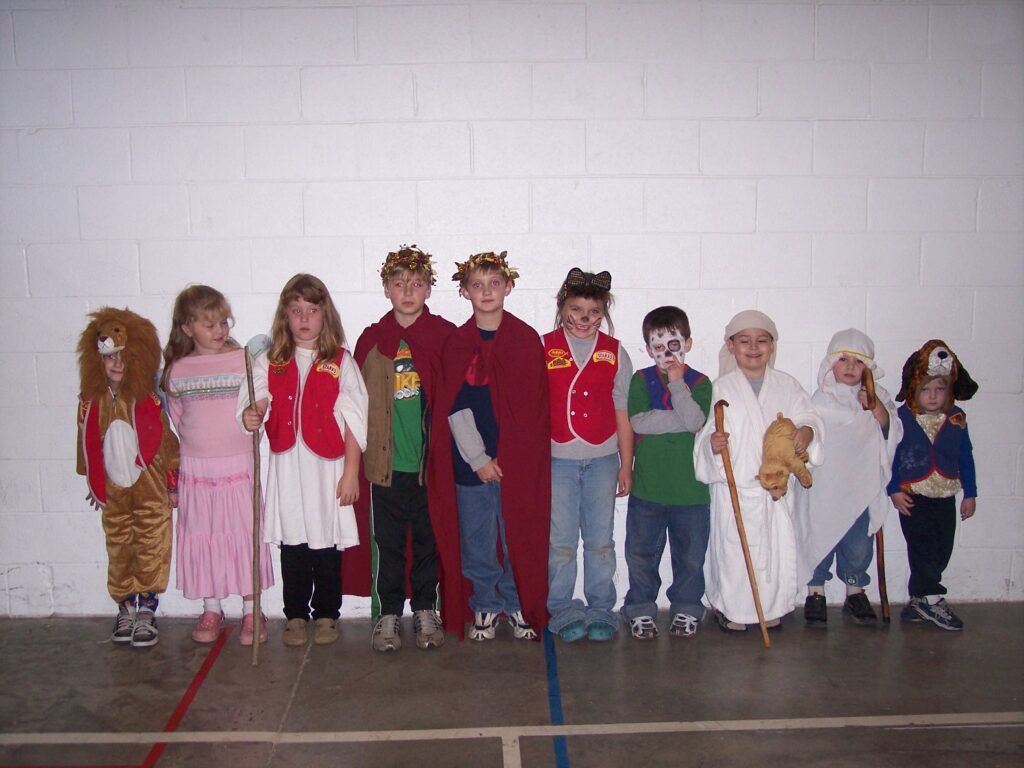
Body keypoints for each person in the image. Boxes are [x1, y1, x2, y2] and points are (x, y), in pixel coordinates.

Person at [428, 252, 550, 641]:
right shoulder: (457, 343)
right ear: (464, 292)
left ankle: (515, 602)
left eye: (494, 283)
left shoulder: (524, 340)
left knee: (517, 536)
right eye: (477, 285)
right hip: (471, 464)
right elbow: (452, 407)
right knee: (477, 538)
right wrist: (479, 458)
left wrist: (512, 455)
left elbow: (533, 409)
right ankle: (485, 603)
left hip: (517, 462)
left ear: (508, 287)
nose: (486, 292)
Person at [239, 274, 367, 647]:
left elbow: (356, 419)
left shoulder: (340, 361)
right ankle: (295, 614)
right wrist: (251, 413)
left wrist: (351, 473)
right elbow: (256, 398)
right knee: (293, 541)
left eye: (312, 310)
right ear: (285, 316)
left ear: (325, 315)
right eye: (296, 311)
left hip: (327, 468)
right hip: (288, 468)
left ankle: (327, 613)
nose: (304, 318)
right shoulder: (269, 361)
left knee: (326, 541)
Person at [346, 245, 456, 653]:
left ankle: (426, 609)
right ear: (386, 289)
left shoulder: (444, 336)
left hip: (430, 467)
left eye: (417, 283)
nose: (408, 291)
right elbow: (353, 404)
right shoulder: (373, 340)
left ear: (429, 289)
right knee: (389, 546)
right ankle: (388, 613)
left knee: (429, 541)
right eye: (399, 284)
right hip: (385, 466)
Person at [694, 310, 823, 632]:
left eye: (762, 341)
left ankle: (770, 608)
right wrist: (712, 445)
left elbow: (809, 417)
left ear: (772, 345)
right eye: (744, 341)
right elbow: (703, 437)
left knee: (775, 554)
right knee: (734, 555)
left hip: (775, 493)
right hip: (736, 492)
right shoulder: (719, 389)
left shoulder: (788, 386)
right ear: (731, 346)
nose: (753, 348)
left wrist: (807, 433)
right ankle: (731, 609)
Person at [162, 285, 275, 646]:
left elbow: (260, 398)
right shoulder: (178, 370)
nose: (220, 330)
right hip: (198, 469)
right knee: (205, 534)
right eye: (209, 325)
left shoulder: (243, 361)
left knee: (243, 534)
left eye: (224, 322)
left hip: (238, 465)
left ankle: (251, 609)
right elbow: (178, 417)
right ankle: (212, 608)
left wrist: (255, 414)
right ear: (187, 328)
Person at [76, 307, 180, 648]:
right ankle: (125, 607)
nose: (117, 364)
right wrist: (91, 479)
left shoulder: (148, 400)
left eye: (125, 357)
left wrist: (172, 482)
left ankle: (146, 610)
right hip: (114, 490)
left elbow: (167, 442)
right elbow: (85, 440)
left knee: (151, 545)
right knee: (119, 547)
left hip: (150, 488)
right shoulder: (91, 402)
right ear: (97, 359)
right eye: (111, 357)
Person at [543, 268, 633, 643]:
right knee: (561, 543)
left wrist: (626, 465)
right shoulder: (544, 347)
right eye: (576, 309)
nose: (584, 318)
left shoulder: (615, 352)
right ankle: (561, 607)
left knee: (600, 542)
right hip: (558, 460)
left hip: (602, 460)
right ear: (562, 308)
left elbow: (623, 412)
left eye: (594, 311)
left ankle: (601, 607)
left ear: (604, 313)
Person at [792, 329, 902, 626]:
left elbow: (892, 431)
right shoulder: (820, 399)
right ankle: (816, 591)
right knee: (818, 536)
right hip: (824, 486)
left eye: (858, 361)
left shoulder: (878, 397)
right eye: (843, 360)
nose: (851, 367)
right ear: (831, 363)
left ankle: (855, 590)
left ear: (868, 367)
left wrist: (875, 407)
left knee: (858, 543)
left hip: (861, 485)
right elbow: (810, 430)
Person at [621, 306, 711, 640]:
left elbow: (697, 421)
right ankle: (640, 609)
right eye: (659, 347)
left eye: (674, 345)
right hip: (648, 490)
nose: (667, 354)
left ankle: (687, 608)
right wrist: (684, 418)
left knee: (690, 558)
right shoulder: (640, 379)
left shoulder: (700, 382)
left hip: (691, 491)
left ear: (688, 343)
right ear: (648, 350)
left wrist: (676, 385)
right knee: (641, 556)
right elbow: (638, 422)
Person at [888, 339, 978, 631]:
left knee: (942, 548)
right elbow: (888, 456)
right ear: (914, 390)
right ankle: (932, 598)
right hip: (913, 495)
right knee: (923, 547)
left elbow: (966, 456)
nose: (933, 395)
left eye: (939, 389)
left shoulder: (956, 418)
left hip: (945, 494)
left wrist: (970, 493)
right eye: (925, 389)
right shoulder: (902, 418)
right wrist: (893, 489)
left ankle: (918, 600)